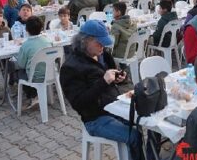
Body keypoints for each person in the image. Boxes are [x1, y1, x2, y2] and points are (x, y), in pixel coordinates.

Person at [60, 20, 143, 160]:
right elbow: (79, 103)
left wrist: (120, 77)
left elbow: (113, 73)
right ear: (85, 41)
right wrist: (103, 82)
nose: (103, 46)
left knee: (144, 121)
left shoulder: (102, 55)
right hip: (95, 118)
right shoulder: (71, 68)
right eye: (99, 43)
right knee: (134, 136)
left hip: (114, 107)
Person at [17, 16, 52, 108]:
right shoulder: (48, 41)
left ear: (26, 29)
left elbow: (21, 64)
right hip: (50, 74)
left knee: (19, 72)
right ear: (41, 28)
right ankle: (38, 94)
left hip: (35, 77)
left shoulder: (25, 45)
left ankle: (33, 96)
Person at [0, 5, 11, 100]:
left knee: (13, 66)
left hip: (6, 56)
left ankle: (11, 84)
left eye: (0, 16)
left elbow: (13, 42)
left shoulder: (6, 29)